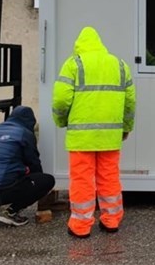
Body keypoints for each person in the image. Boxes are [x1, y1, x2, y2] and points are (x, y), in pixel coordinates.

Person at [53, 26, 135, 239]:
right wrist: (126, 128)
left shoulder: (74, 64)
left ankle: (80, 226)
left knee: (82, 179)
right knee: (109, 177)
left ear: (78, 47)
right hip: (110, 137)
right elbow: (130, 103)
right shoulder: (120, 65)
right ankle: (111, 220)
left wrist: (61, 120)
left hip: (81, 137)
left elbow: (60, 99)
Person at [0, 106, 56, 226]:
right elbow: (34, 163)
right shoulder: (24, 133)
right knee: (47, 180)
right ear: (29, 122)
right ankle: (11, 212)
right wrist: (35, 183)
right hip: (1, 190)